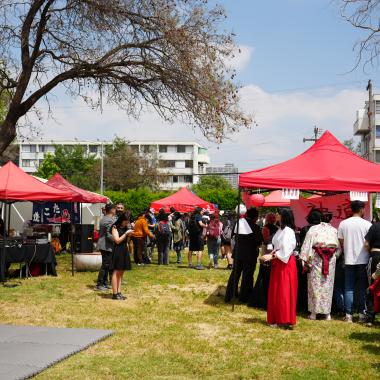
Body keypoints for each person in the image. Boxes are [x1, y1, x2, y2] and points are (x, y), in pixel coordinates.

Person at [300, 212, 341, 320]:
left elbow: (307, 244)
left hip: (316, 258)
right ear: (331, 220)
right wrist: (334, 255)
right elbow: (338, 249)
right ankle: (327, 314)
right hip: (330, 259)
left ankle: (313, 313)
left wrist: (304, 257)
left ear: (320, 219)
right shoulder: (334, 230)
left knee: (315, 285)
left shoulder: (313, 229)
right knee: (327, 285)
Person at [261, 209, 298, 328]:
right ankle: (276, 317)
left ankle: (283, 319)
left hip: (285, 264)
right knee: (277, 290)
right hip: (278, 262)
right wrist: (271, 254)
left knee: (283, 291)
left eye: (278, 213)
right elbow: (278, 246)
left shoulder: (288, 231)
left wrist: (271, 256)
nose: (276, 215)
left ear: (283, 216)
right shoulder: (281, 230)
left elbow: (286, 251)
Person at [338, 200, 371, 323]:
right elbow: (369, 243)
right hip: (364, 259)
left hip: (348, 259)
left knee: (348, 288)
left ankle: (348, 315)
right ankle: (362, 314)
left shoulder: (343, 223)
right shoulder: (367, 224)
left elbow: (341, 242)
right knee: (362, 287)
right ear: (362, 209)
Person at [225, 207, 263, 303]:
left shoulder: (239, 223)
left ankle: (229, 294)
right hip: (250, 254)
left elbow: (233, 235)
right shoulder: (256, 227)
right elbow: (259, 242)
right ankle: (244, 296)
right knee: (247, 276)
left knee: (235, 274)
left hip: (238, 252)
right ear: (255, 217)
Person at [249, 213, 278, 309]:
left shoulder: (276, 227)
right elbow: (265, 240)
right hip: (268, 251)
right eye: (271, 217)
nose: (273, 219)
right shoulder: (266, 228)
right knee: (264, 272)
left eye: (274, 217)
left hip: (273, 252)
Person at [110, 212, 134, 300]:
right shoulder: (114, 227)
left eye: (128, 222)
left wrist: (129, 235)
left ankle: (119, 292)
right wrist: (126, 233)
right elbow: (117, 240)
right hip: (117, 250)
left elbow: (126, 241)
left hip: (124, 249)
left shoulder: (125, 228)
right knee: (116, 271)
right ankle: (114, 293)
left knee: (121, 272)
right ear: (122, 220)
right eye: (126, 221)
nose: (127, 223)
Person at [95, 203, 116, 291]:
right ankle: (99, 284)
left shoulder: (105, 218)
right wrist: (116, 240)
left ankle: (104, 282)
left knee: (107, 265)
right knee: (105, 265)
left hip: (105, 245)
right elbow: (108, 235)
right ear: (111, 210)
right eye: (114, 209)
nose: (115, 210)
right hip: (106, 245)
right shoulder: (109, 220)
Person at [364, 221, 380, 325]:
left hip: (375, 255)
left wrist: (370, 251)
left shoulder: (374, 226)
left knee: (372, 286)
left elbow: (366, 244)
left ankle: (370, 317)